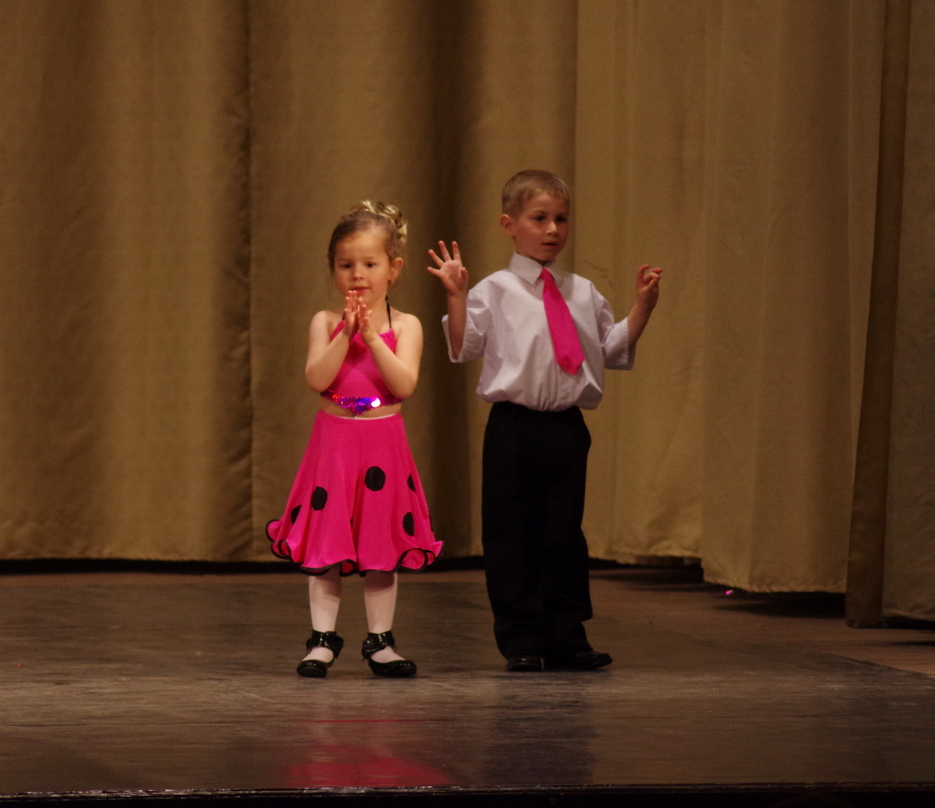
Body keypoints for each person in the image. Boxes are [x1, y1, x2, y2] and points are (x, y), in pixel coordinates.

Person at [428, 169, 660, 671]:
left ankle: (567, 636)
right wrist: (456, 295)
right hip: (514, 427)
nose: (553, 229)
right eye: (539, 218)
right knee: (512, 533)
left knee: (563, 534)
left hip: (566, 428)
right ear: (509, 225)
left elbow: (608, 349)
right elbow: (462, 347)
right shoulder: (495, 290)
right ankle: (522, 639)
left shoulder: (582, 291)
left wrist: (642, 308)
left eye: (561, 219)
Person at [267, 201, 443, 678]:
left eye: (370, 264)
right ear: (333, 270)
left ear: (394, 269)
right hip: (336, 442)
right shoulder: (325, 323)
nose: (358, 275)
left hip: (382, 441)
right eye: (346, 265)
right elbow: (317, 378)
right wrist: (346, 335)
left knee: (381, 541)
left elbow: (403, 383)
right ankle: (322, 639)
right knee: (327, 540)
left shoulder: (406, 325)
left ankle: (380, 641)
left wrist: (372, 335)